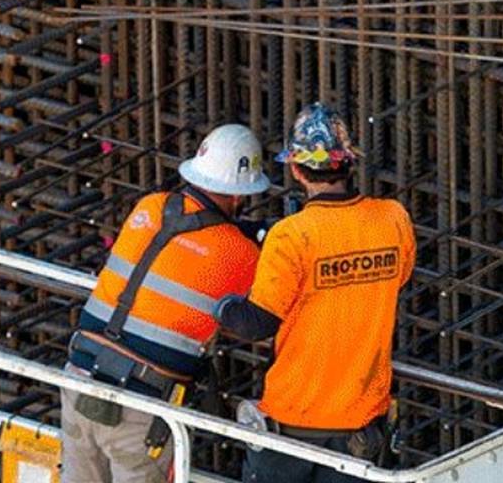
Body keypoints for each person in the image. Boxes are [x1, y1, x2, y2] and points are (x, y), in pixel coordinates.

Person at [62, 122, 273, 483]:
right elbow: (254, 319)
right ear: (241, 195)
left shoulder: (151, 205)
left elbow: (184, 244)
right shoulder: (241, 252)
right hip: (140, 403)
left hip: (79, 375)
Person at [216, 102, 416, 483]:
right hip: (361, 425)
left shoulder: (292, 235)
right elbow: (396, 281)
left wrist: (220, 305)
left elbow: (256, 323)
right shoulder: (393, 219)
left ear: (295, 169)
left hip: (294, 426)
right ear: (349, 163)